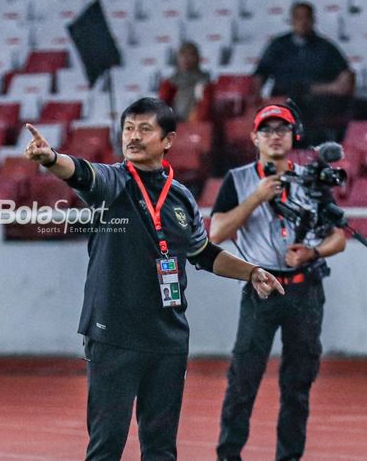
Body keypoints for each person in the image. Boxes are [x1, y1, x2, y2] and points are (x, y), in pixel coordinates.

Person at [22, 97, 284, 460]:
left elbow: (202, 253)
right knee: (106, 446)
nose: (134, 136)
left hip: (167, 337)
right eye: (128, 128)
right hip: (114, 334)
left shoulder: (180, 196)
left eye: (145, 129)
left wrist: (251, 271)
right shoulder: (113, 182)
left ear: (168, 140)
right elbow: (81, 172)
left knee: (161, 449)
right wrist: (51, 158)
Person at [210, 104, 347, 461]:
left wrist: (312, 253)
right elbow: (218, 231)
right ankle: (229, 455)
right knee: (243, 379)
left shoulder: (311, 177)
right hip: (261, 287)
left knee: (297, 384)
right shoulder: (238, 179)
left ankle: (289, 457)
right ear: (254, 137)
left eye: (281, 129)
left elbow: (339, 237)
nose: (274, 135)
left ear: (293, 136)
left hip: (304, 288)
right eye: (267, 129)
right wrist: (256, 197)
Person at [254, 1, 354, 143]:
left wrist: (329, 88)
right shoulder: (278, 45)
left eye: (306, 18)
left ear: (313, 20)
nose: (303, 22)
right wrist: (256, 97)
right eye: (298, 18)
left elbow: (346, 77)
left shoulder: (326, 47)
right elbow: (260, 74)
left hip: (318, 103)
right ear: (292, 20)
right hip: (284, 99)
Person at [159, 41, 213, 122]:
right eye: (182, 54)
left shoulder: (204, 82)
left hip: (195, 124)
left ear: (197, 58)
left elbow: (205, 108)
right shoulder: (170, 83)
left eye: (190, 54)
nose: (186, 58)